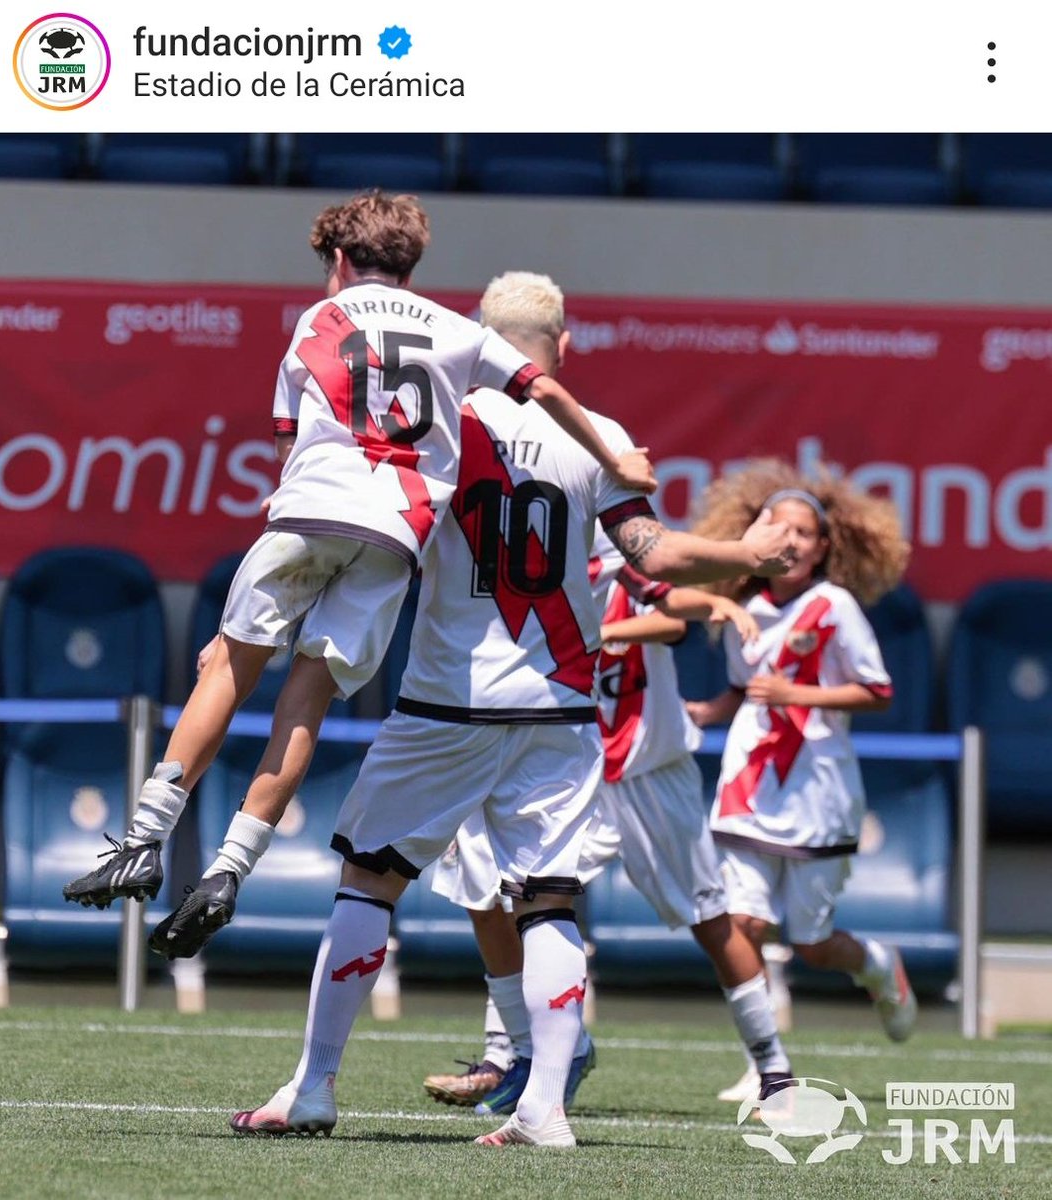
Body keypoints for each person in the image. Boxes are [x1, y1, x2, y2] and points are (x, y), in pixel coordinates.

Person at [228, 271, 796, 1148]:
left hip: (447, 700)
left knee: (371, 882)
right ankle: (545, 1111)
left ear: (479, 343)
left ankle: (313, 1086)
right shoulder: (599, 438)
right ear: (562, 346)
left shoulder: (444, 426)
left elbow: (367, 534)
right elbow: (661, 553)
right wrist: (743, 552)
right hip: (562, 707)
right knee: (552, 903)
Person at [62, 192, 654, 927]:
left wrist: (239, 619)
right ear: (411, 261)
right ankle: (228, 870)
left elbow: (288, 442)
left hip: (313, 509)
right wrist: (614, 459)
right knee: (305, 699)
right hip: (394, 539)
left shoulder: (321, 318)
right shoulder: (454, 328)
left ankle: (144, 839)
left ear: (339, 261)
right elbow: (545, 391)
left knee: (230, 667)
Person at [424, 527, 794, 1116]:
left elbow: (670, 615)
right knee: (498, 895)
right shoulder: (521, 577)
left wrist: (707, 604)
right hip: (570, 766)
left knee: (710, 919)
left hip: (651, 771)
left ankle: (774, 1069)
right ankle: (514, 1055)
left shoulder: (613, 559)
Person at [686, 459, 916, 1098]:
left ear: (822, 548)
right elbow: (741, 689)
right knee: (743, 926)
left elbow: (877, 691)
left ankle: (876, 965)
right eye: (775, 526)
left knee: (812, 944)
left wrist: (797, 692)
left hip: (817, 788)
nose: (788, 540)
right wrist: (707, 712)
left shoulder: (833, 606)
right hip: (750, 785)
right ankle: (767, 1061)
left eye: (803, 532)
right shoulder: (741, 607)